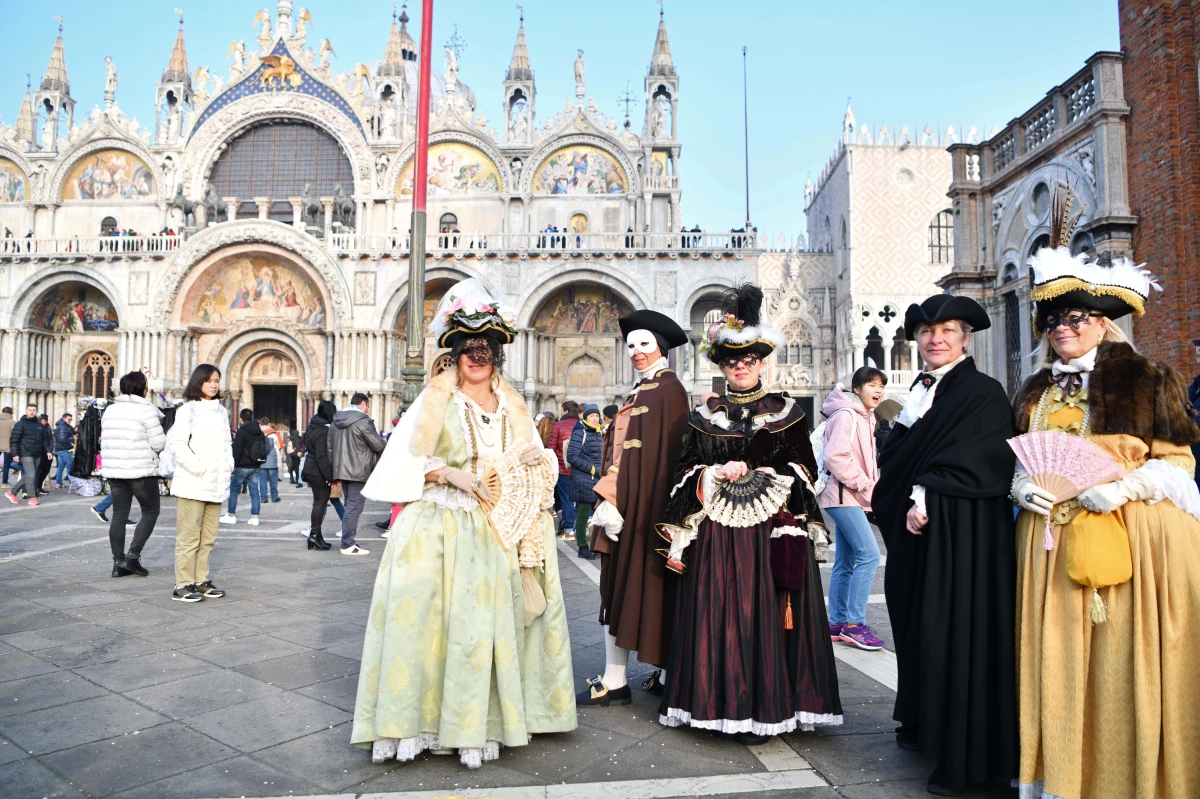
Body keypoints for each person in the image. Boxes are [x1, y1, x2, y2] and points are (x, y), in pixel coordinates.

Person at [353, 278, 576, 767]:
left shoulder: (513, 406)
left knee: (480, 632)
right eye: (468, 347)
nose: (479, 356)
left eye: (487, 348)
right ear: (454, 353)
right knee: (429, 626)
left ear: (498, 354)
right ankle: (418, 722)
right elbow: (406, 460)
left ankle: (477, 723)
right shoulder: (435, 401)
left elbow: (533, 463)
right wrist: (449, 473)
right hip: (437, 527)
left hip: (495, 530)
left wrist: (533, 488)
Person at [1011, 241, 1200, 798]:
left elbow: (1179, 466)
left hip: (1136, 542)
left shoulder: (1146, 377)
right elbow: (1023, 459)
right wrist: (1022, 488)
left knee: (1122, 666)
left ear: (1101, 322)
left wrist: (1125, 486)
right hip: (1049, 549)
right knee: (1061, 665)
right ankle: (1067, 780)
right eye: (1051, 320)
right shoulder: (1032, 390)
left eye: (1075, 318)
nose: (1061, 329)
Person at [656, 284, 843, 743]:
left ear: (762, 363)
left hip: (769, 536)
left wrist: (771, 474)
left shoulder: (789, 413)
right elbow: (683, 471)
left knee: (768, 614)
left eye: (749, 361)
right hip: (719, 541)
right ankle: (717, 704)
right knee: (720, 614)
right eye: (732, 362)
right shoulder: (705, 417)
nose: (741, 368)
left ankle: (771, 706)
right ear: (722, 367)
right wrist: (715, 470)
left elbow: (808, 468)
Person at [872, 295, 1017, 795]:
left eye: (947, 330)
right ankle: (922, 723)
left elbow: (983, 459)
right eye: (927, 331)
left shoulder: (982, 392)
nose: (935, 339)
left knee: (951, 634)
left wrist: (926, 487)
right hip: (917, 537)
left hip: (960, 541)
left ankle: (966, 755)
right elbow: (901, 452)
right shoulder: (921, 390)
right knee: (914, 626)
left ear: (965, 337)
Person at [578, 309, 690, 707]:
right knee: (621, 587)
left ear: (660, 346)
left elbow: (662, 458)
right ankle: (624, 677)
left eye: (643, 344)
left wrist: (615, 497)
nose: (636, 352)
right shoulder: (644, 390)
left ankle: (640, 677)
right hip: (629, 503)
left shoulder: (667, 390)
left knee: (643, 588)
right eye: (630, 345)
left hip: (645, 508)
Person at [819, 369, 886, 650]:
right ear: (856, 388)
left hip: (847, 495)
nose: (878, 390)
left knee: (846, 561)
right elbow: (835, 456)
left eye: (881, 385)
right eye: (871, 384)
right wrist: (866, 486)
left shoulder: (863, 416)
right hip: (844, 494)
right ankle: (854, 624)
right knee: (870, 555)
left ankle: (835, 622)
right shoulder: (847, 415)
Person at [169, 365, 234, 603]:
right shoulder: (188, 410)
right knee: (188, 537)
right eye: (209, 381)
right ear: (198, 383)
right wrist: (199, 468)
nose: (214, 385)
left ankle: (200, 579)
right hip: (193, 482)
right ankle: (183, 584)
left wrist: (228, 465)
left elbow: (227, 442)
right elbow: (177, 445)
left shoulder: (221, 411)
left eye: (217, 380)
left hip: (216, 483)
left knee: (208, 537)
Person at [99, 371, 166, 578]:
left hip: (115, 471)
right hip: (141, 471)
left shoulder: (110, 410)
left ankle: (118, 563)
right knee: (150, 509)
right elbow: (159, 443)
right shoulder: (147, 411)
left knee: (119, 514)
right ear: (142, 389)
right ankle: (133, 557)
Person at [329, 392, 385, 555]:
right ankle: (347, 544)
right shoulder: (364, 422)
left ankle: (347, 539)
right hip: (359, 470)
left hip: (341, 469)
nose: (368, 409)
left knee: (349, 506)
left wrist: (333, 469)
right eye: (368, 406)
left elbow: (329, 447)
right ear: (363, 404)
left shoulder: (335, 422)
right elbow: (378, 445)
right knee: (354, 508)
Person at [566, 403, 602, 560]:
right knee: (583, 514)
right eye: (591, 416)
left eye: (597, 416)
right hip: (583, 478)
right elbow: (571, 456)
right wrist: (592, 469)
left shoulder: (599, 432)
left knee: (600, 514)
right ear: (585, 417)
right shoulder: (580, 432)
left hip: (598, 479)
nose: (595, 419)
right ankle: (582, 547)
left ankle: (597, 545)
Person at [301, 400, 339, 551]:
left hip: (311, 468)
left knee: (319, 503)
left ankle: (317, 535)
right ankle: (314, 536)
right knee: (319, 503)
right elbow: (322, 456)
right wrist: (330, 476)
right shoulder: (323, 430)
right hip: (318, 471)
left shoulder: (312, 426)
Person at [222, 408, 266, 526]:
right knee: (254, 491)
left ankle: (231, 514)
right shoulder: (260, 432)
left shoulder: (241, 432)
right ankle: (255, 517)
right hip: (255, 465)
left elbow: (237, 449)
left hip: (242, 465)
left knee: (234, 489)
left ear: (241, 419)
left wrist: (233, 465)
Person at [6, 404, 50, 506]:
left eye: (34, 410)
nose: (31, 412)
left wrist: (48, 451)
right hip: (25, 452)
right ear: (26, 411)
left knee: (29, 475)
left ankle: (12, 492)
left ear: (36, 411)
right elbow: (14, 440)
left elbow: (44, 440)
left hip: (37, 453)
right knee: (30, 475)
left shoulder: (39, 425)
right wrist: (15, 454)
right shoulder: (20, 424)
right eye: (30, 410)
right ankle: (31, 497)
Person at [547, 401, 581, 535]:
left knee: (567, 499)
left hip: (563, 469)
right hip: (581, 469)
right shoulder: (583, 425)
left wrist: (560, 461)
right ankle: (580, 526)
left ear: (566, 411)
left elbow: (551, 448)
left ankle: (569, 528)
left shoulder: (558, 425)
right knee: (580, 499)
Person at [258, 417, 284, 503]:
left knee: (262, 480)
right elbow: (280, 445)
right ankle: (274, 497)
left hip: (262, 460)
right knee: (273, 480)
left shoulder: (258, 433)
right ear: (269, 424)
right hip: (273, 461)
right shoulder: (275, 434)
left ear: (260, 424)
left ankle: (263, 498)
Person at [53, 412, 76, 488]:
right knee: (70, 465)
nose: (70, 421)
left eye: (71, 419)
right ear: (64, 418)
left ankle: (58, 483)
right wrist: (70, 446)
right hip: (64, 449)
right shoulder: (63, 427)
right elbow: (63, 439)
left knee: (61, 466)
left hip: (60, 448)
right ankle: (72, 482)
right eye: (69, 419)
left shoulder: (62, 426)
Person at [35, 414, 54, 495]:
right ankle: (36, 488)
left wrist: (49, 450)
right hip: (40, 452)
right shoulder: (38, 428)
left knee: (46, 469)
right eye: (43, 421)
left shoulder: (48, 428)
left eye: (45, 421)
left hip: (47, 451)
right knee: (38, 471)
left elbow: (48, 440)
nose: (44, 423)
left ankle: (39, 486)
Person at [0, 406, 14, 488]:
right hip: (7, 445)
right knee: (6, 464)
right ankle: (4, 482)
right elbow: (14, 435)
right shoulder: (12, 422)